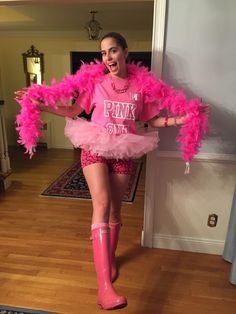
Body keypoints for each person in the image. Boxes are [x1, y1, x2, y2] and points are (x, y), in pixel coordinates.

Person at [15, 32, 208, 311]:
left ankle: (110, 258)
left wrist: (182, 118)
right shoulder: (95, 82)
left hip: (124, 150)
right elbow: (73, 112)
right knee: (102, 204)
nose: (108, 58)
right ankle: (104, 288)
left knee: (116, 212)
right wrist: (43, 105)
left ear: (125, 52)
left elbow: (153, 120)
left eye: (113, 51)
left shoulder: (141, 87)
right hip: (95, 145)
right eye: (104, 53)